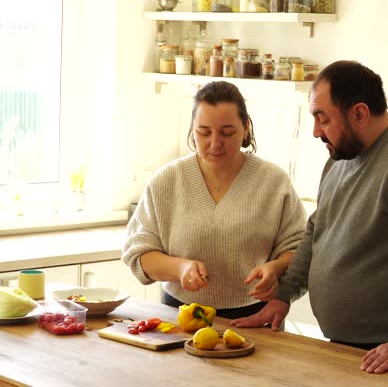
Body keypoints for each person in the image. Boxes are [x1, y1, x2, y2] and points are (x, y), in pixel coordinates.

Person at [231, 61, 388, 374]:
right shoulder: (341, 156)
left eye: (322, 118)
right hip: (346, 345)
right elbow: (317, 230)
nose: (315, 131)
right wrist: (283, 296)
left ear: (360, 114)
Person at [122, 81, 306, 319]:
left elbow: (300, 247)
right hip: (179, 317)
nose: (215, 143)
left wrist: (276, 268)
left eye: (227, 132)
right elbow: (139, 255)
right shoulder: (166, 180)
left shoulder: (274, 181)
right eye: (204, 132)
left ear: (246, 128)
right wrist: (180, 268)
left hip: (255, 318)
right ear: (192, 129)